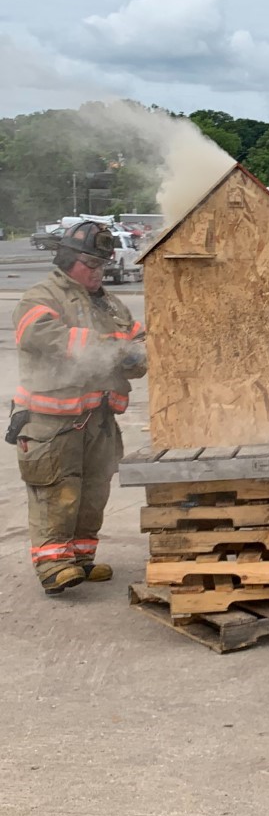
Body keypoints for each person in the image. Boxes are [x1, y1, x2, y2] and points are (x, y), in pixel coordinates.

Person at [11, 221, 147, 595]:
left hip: (99, 419)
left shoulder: (109, 303)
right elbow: (41, 335)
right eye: (93, 265)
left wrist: (138, 355)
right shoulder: (41, 296)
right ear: (69, 259)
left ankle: (81, 557)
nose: (99, 273)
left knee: (93, 491)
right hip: (53, 421)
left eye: (103, 265)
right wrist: (116, 351)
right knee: (57, 490)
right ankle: (54, 563)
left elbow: (138, 343)